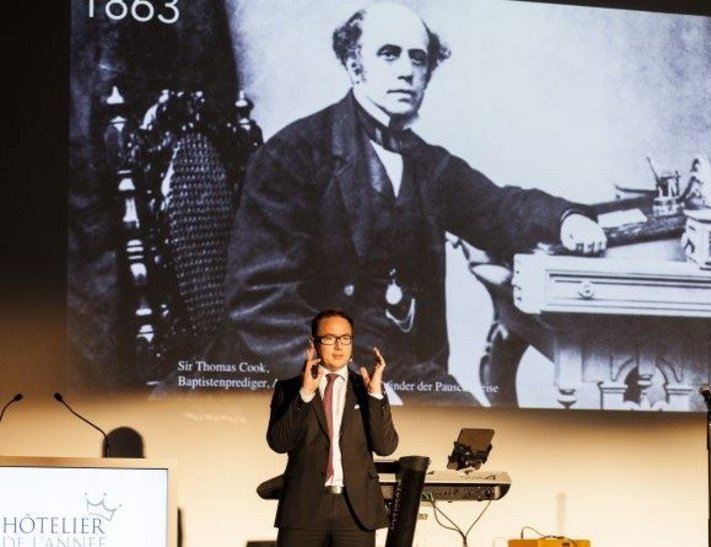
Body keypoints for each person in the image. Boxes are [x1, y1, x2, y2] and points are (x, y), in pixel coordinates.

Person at [217, 2, 607, 404]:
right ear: (354, 65)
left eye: (418, 58)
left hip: (399, 367)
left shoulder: (426, 163)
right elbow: (261, 303)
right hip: (299, 373)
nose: (406, 70)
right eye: (389, 54)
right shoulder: (293, 155)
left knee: (480, 436)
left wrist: (566, 219)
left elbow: (497, 208)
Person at [267, 309, 399, 547]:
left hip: (356, 510)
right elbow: (279, 442)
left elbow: (385, 446)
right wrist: (305, 394)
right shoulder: (289, 389)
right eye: (329, 338)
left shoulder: (368, 388)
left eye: (345, 338)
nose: (338, 346)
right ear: (314, 343)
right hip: (302, 507)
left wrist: (375, 396)